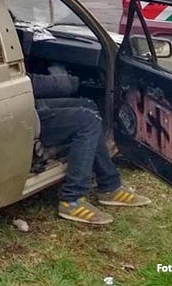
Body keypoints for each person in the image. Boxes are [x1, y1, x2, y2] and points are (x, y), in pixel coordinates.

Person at [31, 71, 151, 225]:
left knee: (89, 107)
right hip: (22, 115)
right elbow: (29, 83)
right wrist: (73, 82)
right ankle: (72, 199)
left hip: (30, 103)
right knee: (86, 121)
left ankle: (110, 187)